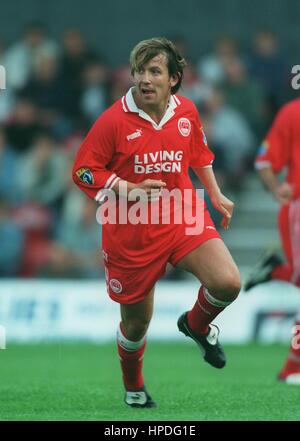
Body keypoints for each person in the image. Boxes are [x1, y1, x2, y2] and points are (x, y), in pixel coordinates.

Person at [73, 37, 241, 407]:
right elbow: (83, 172)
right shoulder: (113, 120)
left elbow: (198, 152)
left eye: (154, 71)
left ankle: (196, 325)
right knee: (136, 326)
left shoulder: (186, 112)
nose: (145, 79)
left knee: (228, 282)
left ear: (174, 79)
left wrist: (213, 193)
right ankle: (133, 386)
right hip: (129, 228)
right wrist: (127, 189)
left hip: (180, 213)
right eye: (139, 71)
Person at [244, 98, 300, 384]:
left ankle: (274, 270)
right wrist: (277, 190)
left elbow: (263, 161)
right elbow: (264, 161)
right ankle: (293, 367)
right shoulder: (292, 113)